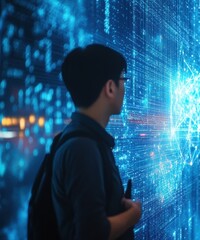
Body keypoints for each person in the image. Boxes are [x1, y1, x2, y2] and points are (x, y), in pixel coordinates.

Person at [52, 44, 142, 239]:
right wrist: (132, 215)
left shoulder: (84, 140)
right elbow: (92, 232)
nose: (125, 88)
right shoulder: (82, 148)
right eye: (123, 80)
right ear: (110, 87)